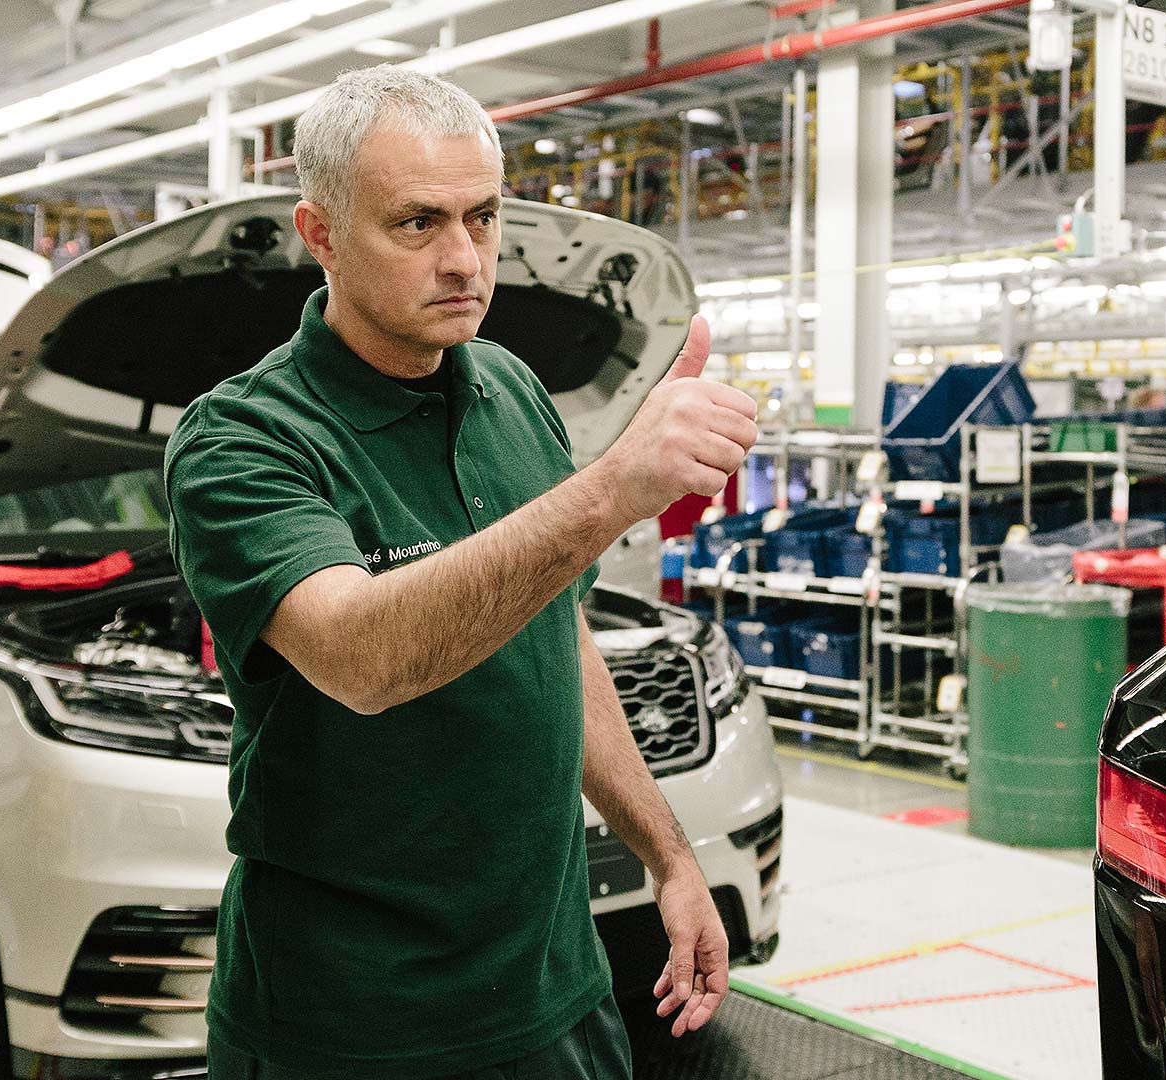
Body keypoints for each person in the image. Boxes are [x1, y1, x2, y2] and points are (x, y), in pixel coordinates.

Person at [163, 66, 758, 1080]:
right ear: (321, 235)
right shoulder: (242, 440)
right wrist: (613, 489)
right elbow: (364, 658)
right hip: (349, 1024)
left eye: (482, 218)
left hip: (552, 996)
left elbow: (559, 641)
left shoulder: (514, 393)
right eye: (417, 224)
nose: (463, 260)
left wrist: (668, 856)